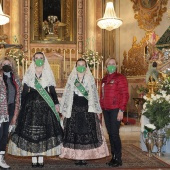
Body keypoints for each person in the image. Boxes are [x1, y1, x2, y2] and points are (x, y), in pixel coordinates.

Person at [8, 52, 63, 168]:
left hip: (45, 107)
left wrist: (56, 104)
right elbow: (24, 92)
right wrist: (21, 106)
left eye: (41, 58)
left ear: (44, 60)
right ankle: (34, 158)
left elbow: (52, 91)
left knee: (43, 132)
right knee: (32, 132)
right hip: (30, 107)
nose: (39, 60)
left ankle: (41, 157)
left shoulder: (48, 73)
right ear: (33, 60)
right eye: (36, 58)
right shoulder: (29, 73)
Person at [59, 58, 109, 165]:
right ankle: (77, 156)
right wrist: (65, 110)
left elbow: (94, 96)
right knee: (75, 133)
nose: (81, 67)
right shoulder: (72, 79)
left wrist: (96, 110)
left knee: (86, 133)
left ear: (86, 67)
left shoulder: (90, 79)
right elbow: (67, 95)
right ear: (76, 67)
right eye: (79, 65)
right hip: (74, 109)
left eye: (83, 65)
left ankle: (85, 156)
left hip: (87, 110)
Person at [100, 57, 129, 167]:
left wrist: (121, 110)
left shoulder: (120, 78)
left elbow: (124, 95)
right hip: (106, 110)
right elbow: (102, 95)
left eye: (113, 63)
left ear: (116, 65)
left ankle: (118, 158)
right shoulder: (104, 79)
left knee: (115, 134)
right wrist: (101, 108)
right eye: (109, 64)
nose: (111, 65)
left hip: (115, 109)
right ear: (106, 66)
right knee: (110, 134)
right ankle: (113, 157)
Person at [0, 56, 21, 169]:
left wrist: (16, 113)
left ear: (12, 66)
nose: (6, 66)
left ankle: (1, 158)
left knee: (4, 136)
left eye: (8, 64)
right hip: (0, 110)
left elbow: (19, 96)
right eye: (4, 64)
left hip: (11, 110)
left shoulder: (16, 79)